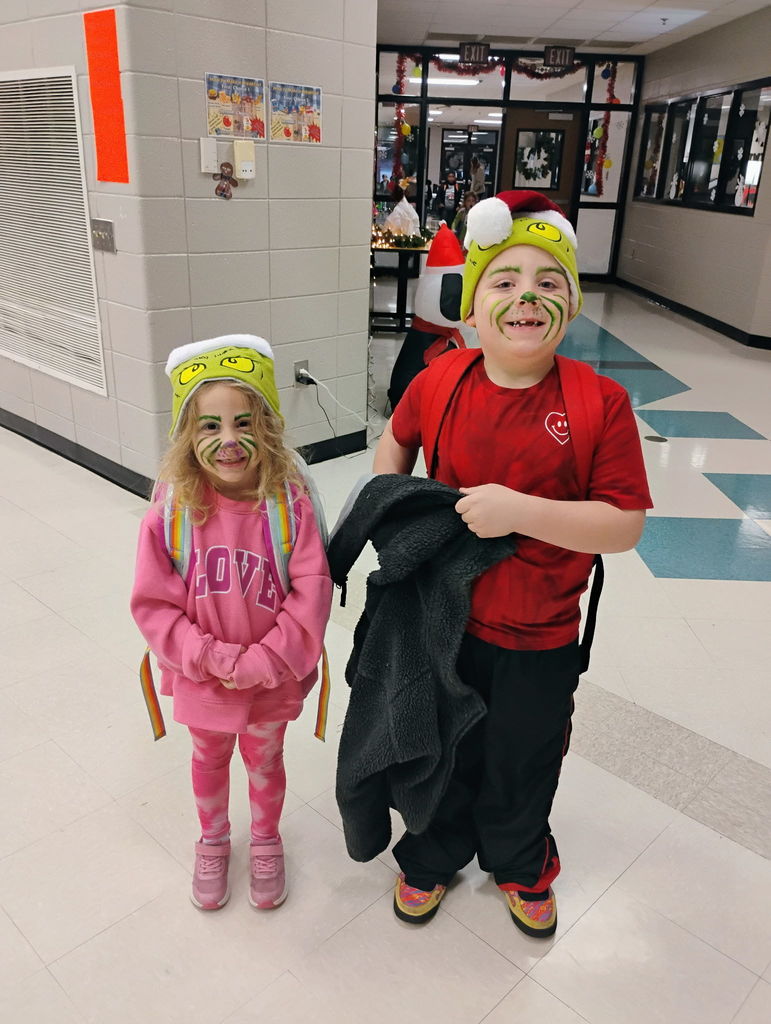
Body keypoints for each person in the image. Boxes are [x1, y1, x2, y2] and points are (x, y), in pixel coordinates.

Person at [372, 190, 652, 936]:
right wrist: (392, 508)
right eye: (503, 279)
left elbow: (622, 526)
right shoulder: (440, 379)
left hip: (541, 634)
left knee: (523, 755)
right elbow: (394, 442)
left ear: (572, 302)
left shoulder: (600, 403)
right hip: (445, 620)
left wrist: (521, 512)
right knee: (443, 748)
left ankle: (521, 861)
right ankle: (431, 854)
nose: (525, 295)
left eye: (547, 281)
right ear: (471, 301)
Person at [131, 334, 332, 912]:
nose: (228, 441)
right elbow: (154, 604)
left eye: (243, 423)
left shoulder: (288, 506)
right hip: (202, 679)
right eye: (208, 426)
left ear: (266, 429)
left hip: (273, 679)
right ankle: (214, 841)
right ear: (186, 435)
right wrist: (212, 659)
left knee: (266, 760)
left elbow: (312, 592)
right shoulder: (171, 513)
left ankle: (266, 841)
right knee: (208, 759)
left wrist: (265, 661)